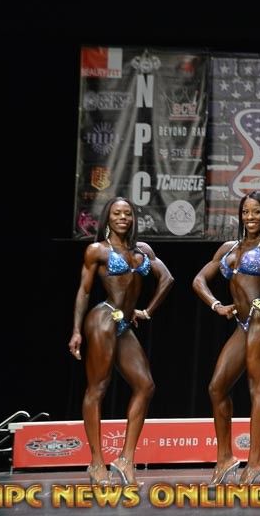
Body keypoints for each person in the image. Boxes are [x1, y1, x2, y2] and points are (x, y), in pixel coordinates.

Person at [68, 197, 174, 485]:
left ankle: (126, 459)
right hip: (102, 319)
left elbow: (167, 279)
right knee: (98, 387)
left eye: (127, 213)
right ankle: (96, 462)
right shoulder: (97, 251)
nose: (123, 218)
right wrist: (76, 331)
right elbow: (84, 291)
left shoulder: (142, 250)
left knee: (145, 385)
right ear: (108, 217)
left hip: (124, 324)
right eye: (117, 213)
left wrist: (147, 311)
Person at [192, 191, 260, 485]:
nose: (250, 217)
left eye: (256, 212)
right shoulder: (228, 248)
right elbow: (198, 280)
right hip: (242, 323)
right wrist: (216, 305)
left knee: (256, 387)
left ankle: (257, 459)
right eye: (246, 212)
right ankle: (225, 457)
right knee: (217, 387)